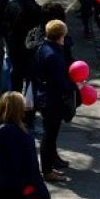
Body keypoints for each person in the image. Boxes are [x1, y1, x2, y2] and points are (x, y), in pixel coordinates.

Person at [32, 19, 76, 181]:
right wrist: (73, 85)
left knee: (51, 135)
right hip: (52, 100)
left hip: (45, 96)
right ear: (61, 35)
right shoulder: (53, 55)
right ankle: (47, 170)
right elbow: (59, 81)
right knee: (49, 136)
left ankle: (50, 166)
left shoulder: (43, 47)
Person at [3, 0, 43, 93]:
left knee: (16, 75)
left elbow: (6, 26)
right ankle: (28, 104)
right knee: (30, 79)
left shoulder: (11, 5)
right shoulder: (36, 9)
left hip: (13, 46)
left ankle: (15, 99)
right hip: (28, 50)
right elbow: (38, 33)